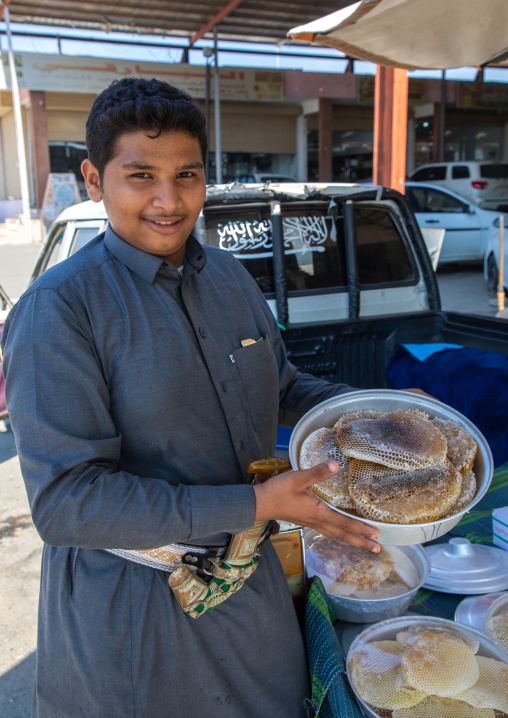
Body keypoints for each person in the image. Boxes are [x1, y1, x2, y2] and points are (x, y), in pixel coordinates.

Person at [3, 77, 400, 718]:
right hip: (132, 610)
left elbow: (282, 387)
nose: (168, 199)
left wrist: (376, 410)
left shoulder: (228, 276)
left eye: (187, 174)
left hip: (250, 586)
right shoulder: (59, 311)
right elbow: (67, 503)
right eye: (140, 176)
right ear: (93, 180)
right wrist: (254, 502)